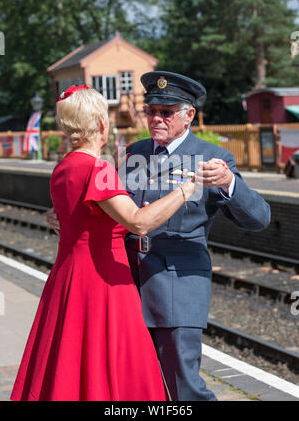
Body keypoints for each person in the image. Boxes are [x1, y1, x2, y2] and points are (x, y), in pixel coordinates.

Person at [47, 72, 271, 401]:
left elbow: (259, 219)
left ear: (189, 115)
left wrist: (227, 184)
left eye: (166, 113)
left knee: (184, 387)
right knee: (134, 386)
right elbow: (111, 208)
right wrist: (70, 217)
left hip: (177, 287)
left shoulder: (213, 158)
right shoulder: (133, 152)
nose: (156, 119)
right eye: (151, 110)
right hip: (125, 287)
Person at [10, 84, 203, 402]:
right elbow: (139, 222)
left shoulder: (63, 167)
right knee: (114, 367)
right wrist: (186, 188)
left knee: (72, 364)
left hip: (68, 278)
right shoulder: (98, 169)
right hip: (104, 282)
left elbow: (73, 215)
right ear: (101, 124)